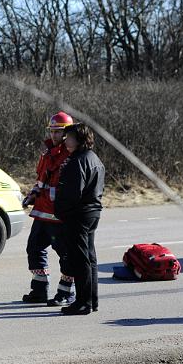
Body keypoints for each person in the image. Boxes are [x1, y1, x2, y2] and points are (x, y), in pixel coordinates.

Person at [21, 111, 75, 306]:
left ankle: (66, 292)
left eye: (58, 131)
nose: (54, 135)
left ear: (67, 133)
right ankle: (39, 290)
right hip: (43, 213)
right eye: (52, 131)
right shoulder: (47, 152)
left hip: (60, 216)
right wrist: (32, 195)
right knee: (34, 249)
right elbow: (42, 179)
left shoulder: (70, 155)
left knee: (66, 255)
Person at [55, 123, 105, 316]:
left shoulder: (77, 161)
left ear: (80, 139)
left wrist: (61, 211)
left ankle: (83, 303)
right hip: (92, 212)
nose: (66, 139)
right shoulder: (94, 159)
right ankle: (92, 300)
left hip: (79, 214)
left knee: (80, 259)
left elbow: (72, 193)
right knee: (90, 257)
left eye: (70, 136)